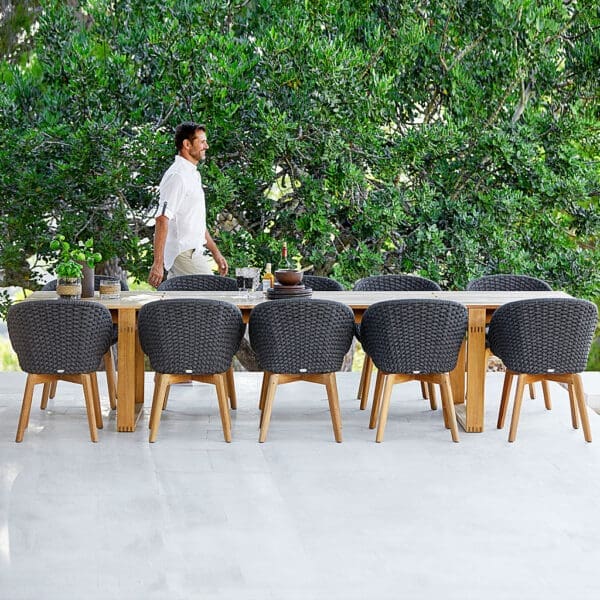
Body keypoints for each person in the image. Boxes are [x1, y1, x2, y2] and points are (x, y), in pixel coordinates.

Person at [148, 122, 228, 287]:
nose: (206, 146)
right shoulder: (177, 176)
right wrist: (157, 263)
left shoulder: (193, 174)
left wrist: (216, 253)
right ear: (186, 144)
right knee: (215, 296)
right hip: (183, 253)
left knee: (182, 306)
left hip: (192, 252)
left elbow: (196, 223)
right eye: (202, 142)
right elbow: (162, 218)